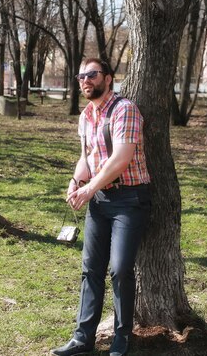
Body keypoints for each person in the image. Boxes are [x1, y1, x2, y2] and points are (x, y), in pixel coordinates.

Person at [51, 58, 151, 356]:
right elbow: (88, 156)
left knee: (120, 269)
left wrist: (89, 188)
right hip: (99, 200)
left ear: (108, 78)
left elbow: (121, 159)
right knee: (90, 269)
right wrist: (75, 180)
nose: (85, 80)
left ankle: (122, 338)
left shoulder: (125, 110)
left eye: (92, 75)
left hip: (130, 199)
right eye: (81, 75)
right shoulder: (86, 115)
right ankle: (83, 338)